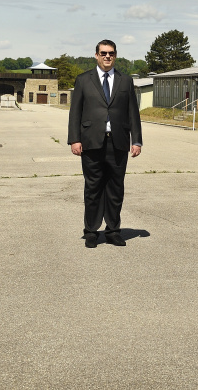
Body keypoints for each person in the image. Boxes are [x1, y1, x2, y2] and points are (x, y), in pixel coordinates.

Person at [68, 39, 142, 248]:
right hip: (91, 143)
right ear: (96, 55)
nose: (107, 56)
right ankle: (91, 231)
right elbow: (76, 112)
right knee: (92, 189)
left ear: (115, 56)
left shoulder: (125, 80)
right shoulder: (83, 80)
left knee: (115, 189)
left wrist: (136, 140)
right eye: (103, 53)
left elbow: (133, 113)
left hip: (118, 143)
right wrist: (75, 139)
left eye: (111, 53)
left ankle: (113, 231)